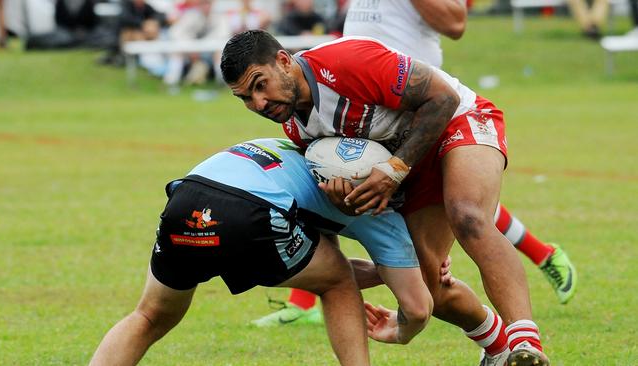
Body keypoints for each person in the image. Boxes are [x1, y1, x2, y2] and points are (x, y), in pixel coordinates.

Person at [221, 30, 551, 365]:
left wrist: (395, 168)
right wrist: (345, 198)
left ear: (283, 61)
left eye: (260, 84)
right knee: (429, 285)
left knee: (467, 215)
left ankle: (526, 341)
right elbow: (364, 178)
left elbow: (443, 99)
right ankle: (499, 349)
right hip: (410, 166)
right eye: (245, 98)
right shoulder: (297, 128)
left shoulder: (345, 62)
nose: (258, 103)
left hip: (458, 120)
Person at [260, 0, 578, 328]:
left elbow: (456, 23)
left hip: (417, 97)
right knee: (341, 180)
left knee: (467, 208)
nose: (256, 103)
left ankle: (533, 291)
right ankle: (509, 319)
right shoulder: (301, 107)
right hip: (358, 108)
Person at [89, 138, 371, 365]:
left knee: (150, 316)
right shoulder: (336, 180)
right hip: (245, 211)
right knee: (337, 280)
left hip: (183, 201)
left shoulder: (284, 146)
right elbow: (326, 266)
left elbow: (314, 255)